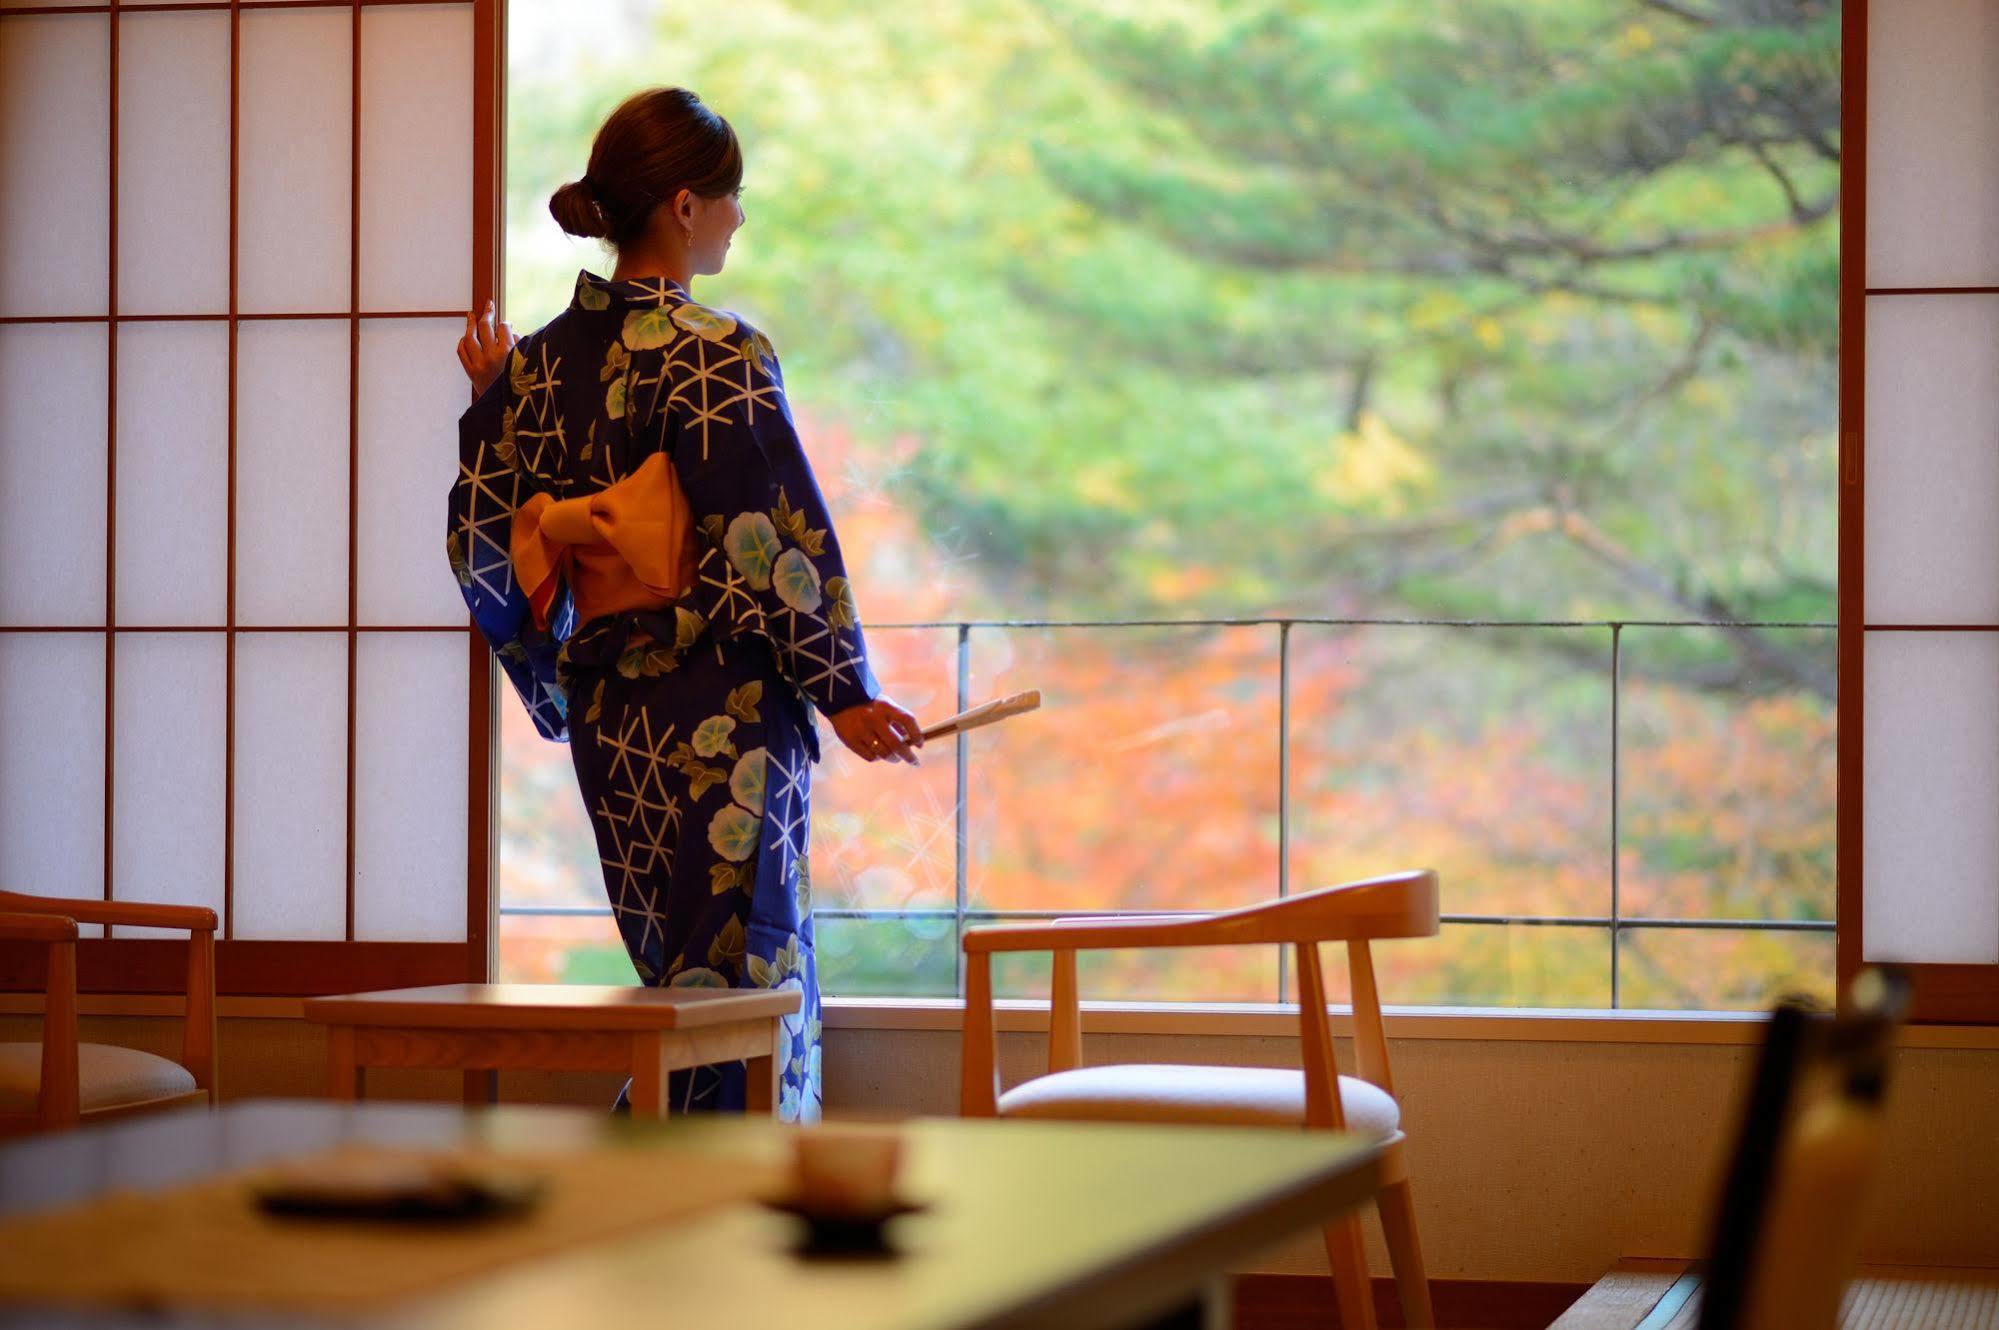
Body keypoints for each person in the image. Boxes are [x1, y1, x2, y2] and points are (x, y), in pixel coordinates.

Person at [446, 87, 922, 1121]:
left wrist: (491, 404)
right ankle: (704, 1221)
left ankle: (661, 1220)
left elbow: (486, 531)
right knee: (744, 987)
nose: (741, 215)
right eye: (730, 194)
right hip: (725, 716)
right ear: (684, 205)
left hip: (615, 721)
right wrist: (841, 689)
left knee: (684, 983)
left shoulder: (532, 367)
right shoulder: (716, 352)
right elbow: (771, 532)